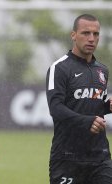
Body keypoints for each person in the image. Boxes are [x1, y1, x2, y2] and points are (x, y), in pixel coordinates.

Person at [46, 14, 112, 184]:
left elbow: (93, 108)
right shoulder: (59, 68)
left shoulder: (102, 71)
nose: (91, 39)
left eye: (96, 34)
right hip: (68, 157)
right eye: (86, 33)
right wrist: (87, 121)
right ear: (73, 35)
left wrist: (108, 107)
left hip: (100, 157)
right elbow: (56, 108)